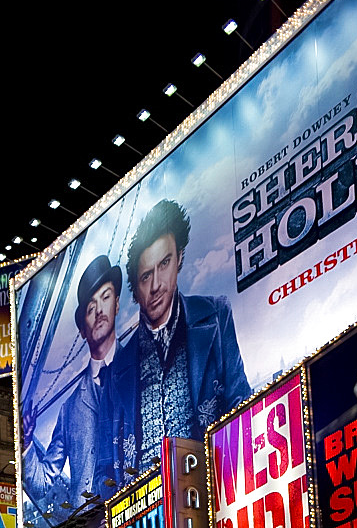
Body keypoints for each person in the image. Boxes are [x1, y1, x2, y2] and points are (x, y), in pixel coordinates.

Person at [100, 199, 251, 482]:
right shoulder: (118, 366)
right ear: (134, 288)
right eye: (146, 276)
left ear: (179, 258)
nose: (156, 284)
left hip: (214, 488)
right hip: (142, 516)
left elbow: (241, 405)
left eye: (164, 263)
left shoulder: (216, 315)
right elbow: (105, 468)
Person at [23, 254, 123, 510]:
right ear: (82, 329)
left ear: (118, 304)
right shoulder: (70, 408)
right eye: (91, 308)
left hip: (145, 511)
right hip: (90, 527)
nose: (100, 311)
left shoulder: (141, 366)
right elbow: (43, 481)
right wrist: (25, 447)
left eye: (106, 297)